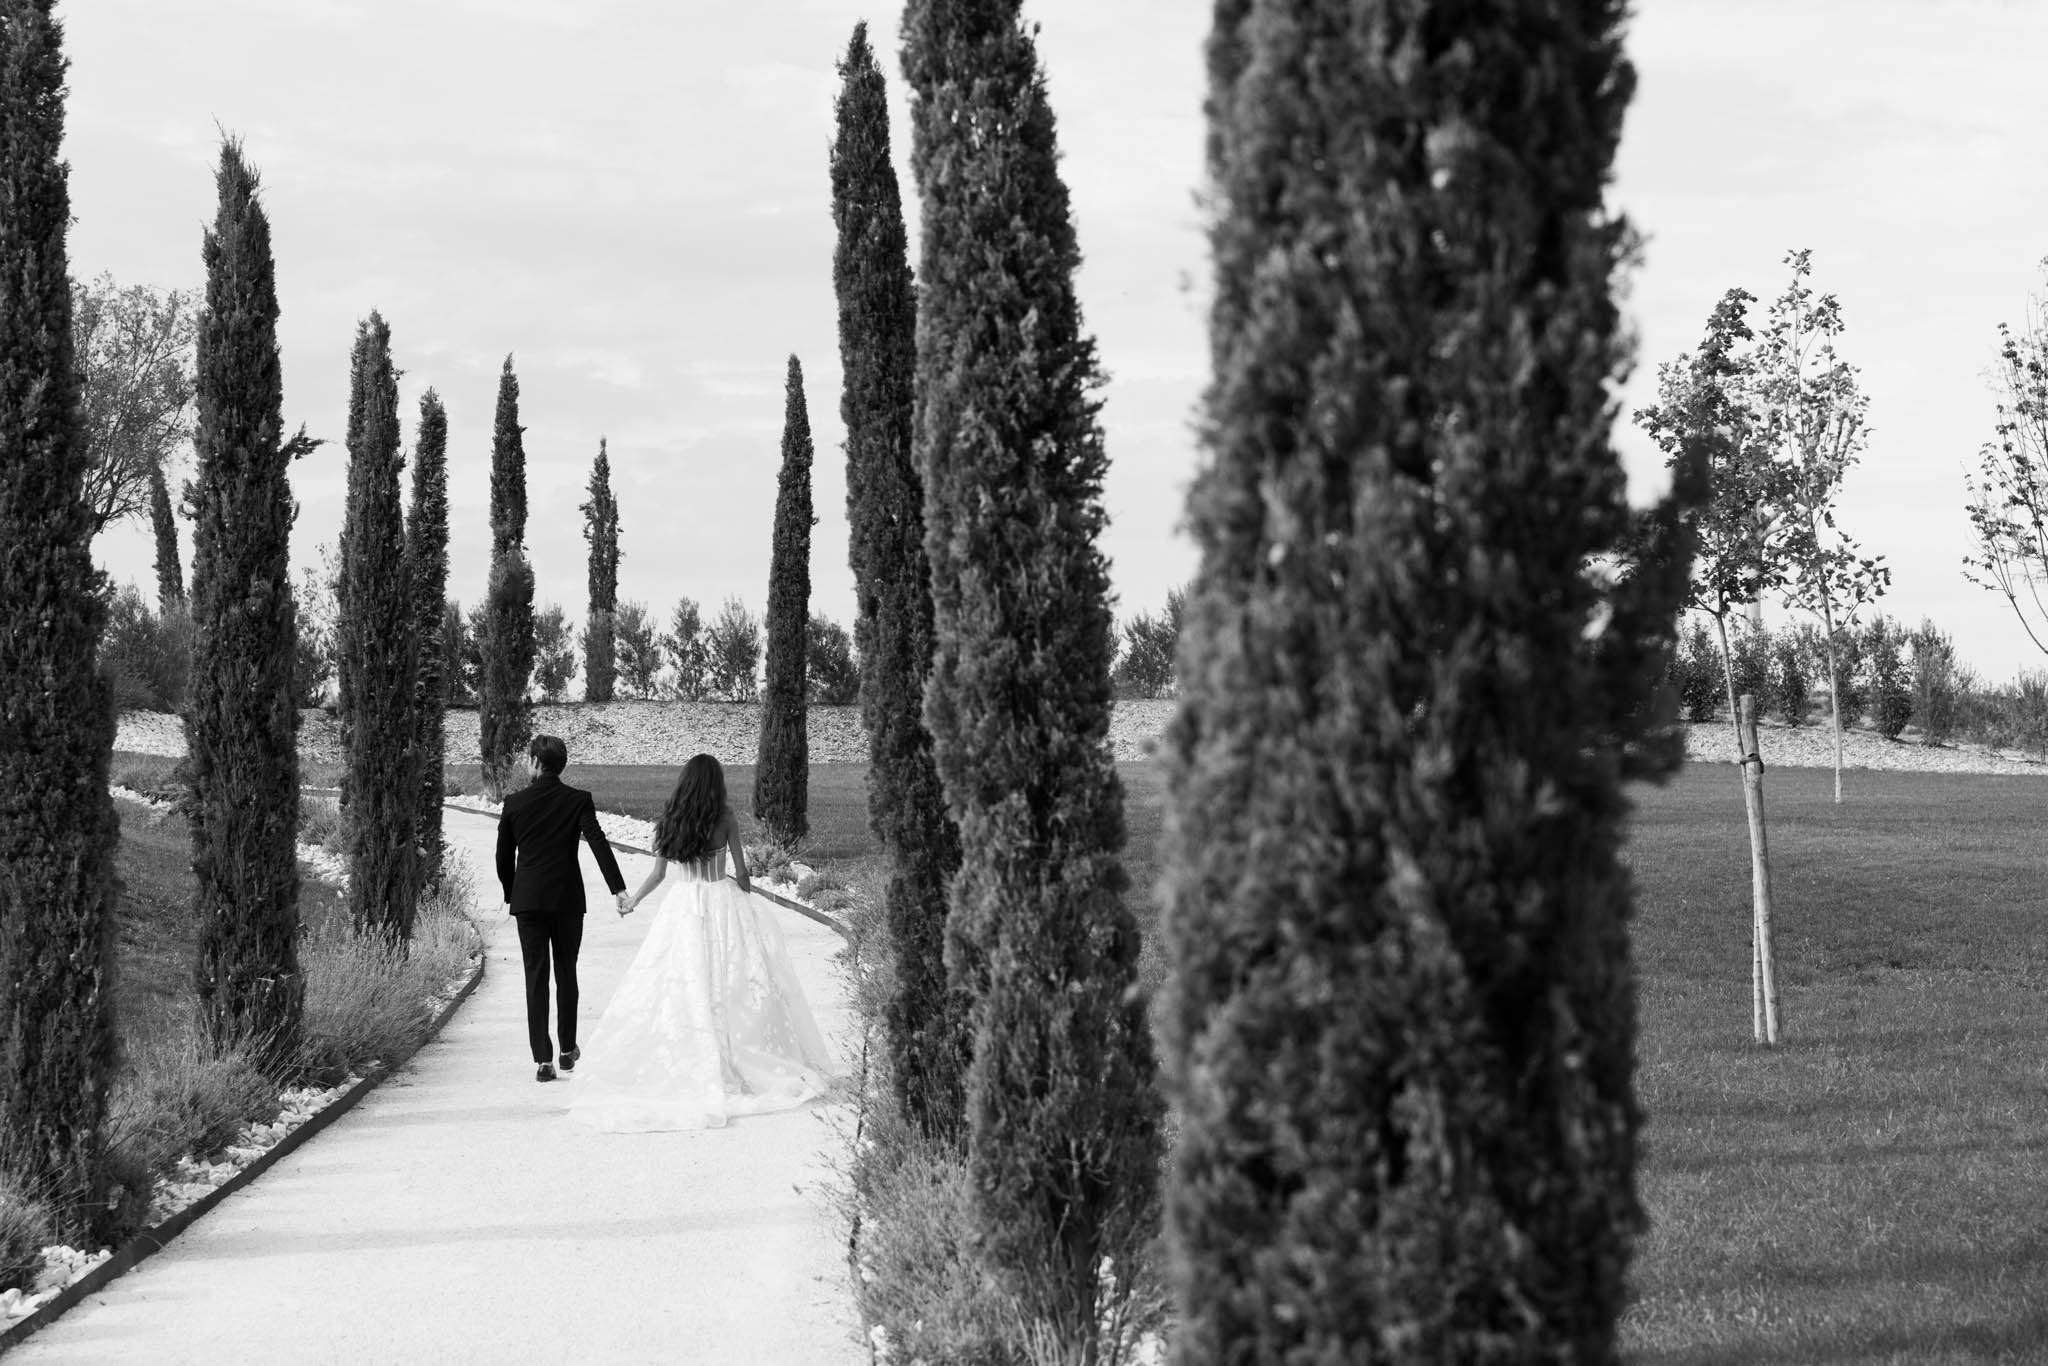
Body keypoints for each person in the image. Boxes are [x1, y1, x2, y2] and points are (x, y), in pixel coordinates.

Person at [566, 753, 834, 1132]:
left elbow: (659, 873)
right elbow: (741, 874)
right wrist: (745, 885)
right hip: (721, 901)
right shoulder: (725, 817)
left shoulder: (671, 818)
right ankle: (735, 1049)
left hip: (684, 903)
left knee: (681, 976)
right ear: (716, 783)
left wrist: (633, 901)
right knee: (733, 977)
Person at [495, 735, 629, 1083]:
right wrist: (618, 887)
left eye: (529, 759)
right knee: (566, 972)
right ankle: (568, 1049)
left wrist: (513, 894)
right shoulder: (578, 800)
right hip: (568, 900)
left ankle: (543, 1059)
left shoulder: (514, 803)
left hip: (529, 903)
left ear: (537, 763)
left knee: (535, 977)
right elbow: (597, 841)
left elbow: (502, 858)